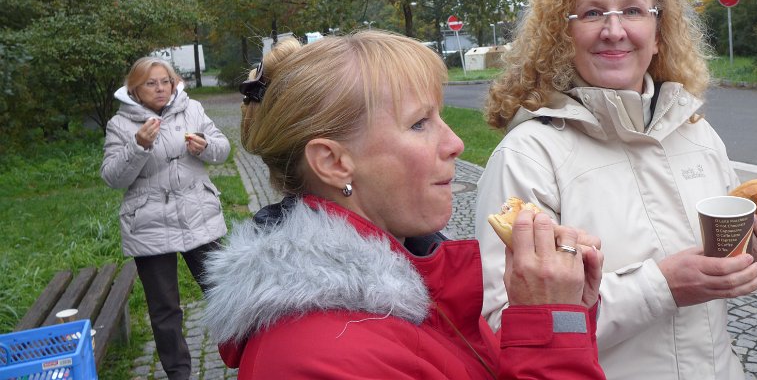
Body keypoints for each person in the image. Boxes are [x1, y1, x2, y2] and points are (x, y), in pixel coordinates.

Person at [201, 31, 607, 379]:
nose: (455, 143)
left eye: (439, 117)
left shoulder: (416, 274)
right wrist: (550, 321)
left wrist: (561, 311)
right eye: (419, 123)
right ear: (333, 162)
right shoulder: (317, 356)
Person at [474, 0, 757, 379]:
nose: (614, 30)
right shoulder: (529, 155)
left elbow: (722, 263)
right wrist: (662, 287)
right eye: (592, 13)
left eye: (633, 11)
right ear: (562, 36)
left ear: (659, 33)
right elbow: (505, 327)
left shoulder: (697, 134)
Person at [100, 56, 230, 380]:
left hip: (198, 214)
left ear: (173, 84)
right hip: (150, 224)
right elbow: (112, 177)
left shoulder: (192, 109)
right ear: (135, 89)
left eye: (165, 82)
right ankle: (178, 373)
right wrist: (138, 146)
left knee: (225, 292)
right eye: (151, 83)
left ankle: (246, 353)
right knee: (164, 310)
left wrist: (205, 147)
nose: (160, 88)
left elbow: (223, 148)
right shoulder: (120, 125)